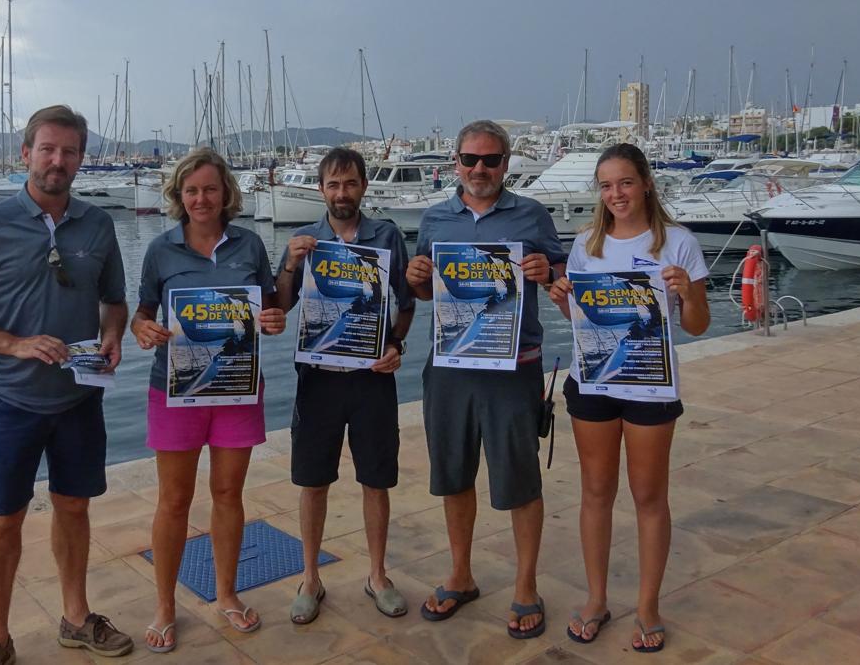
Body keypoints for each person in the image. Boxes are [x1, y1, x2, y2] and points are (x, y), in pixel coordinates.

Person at [0, 105, 133, 665]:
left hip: (78, 399)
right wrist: (15, 344)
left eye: (69, 151)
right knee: (4, 518)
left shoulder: (98, 224)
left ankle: (76, 618)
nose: (57, 161)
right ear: (26, 154)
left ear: (81, 159)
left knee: (74, 508)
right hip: (9, 401)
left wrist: (113, 337)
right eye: (47, 149)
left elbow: (113, 301)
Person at [405, 120, 568, 639]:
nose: (480, 169)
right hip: (450, 368)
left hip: (515, 368)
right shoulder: (433, 219)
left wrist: (549, 273)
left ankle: (525, 586)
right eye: (470, 160)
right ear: (455, 162)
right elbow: (428, 294)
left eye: (491, 160)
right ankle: (460, 575)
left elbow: (565, 282)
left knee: (520, 479)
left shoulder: (532, 215)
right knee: (453, 474)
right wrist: (417, 282)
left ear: (506, 163)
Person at [546, 143, 710, 653]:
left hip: (651, 387)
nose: (615, 194)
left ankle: (647, 607)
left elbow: (697, 326)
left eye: (624, 182)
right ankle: (597, 599)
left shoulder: (679, 243)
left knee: (648, 497)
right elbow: (583, 319)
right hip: (592, 384)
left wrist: (692, 293)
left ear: (645, 184)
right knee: (596, 493)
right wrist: (561, 300)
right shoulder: (586, 243)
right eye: (606, 185)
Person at [131, 147, 286, 653]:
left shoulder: (250, 245)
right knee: (173, 501)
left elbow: (268, 307)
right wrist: (144, 330)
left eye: (210, 190)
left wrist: (274, 319)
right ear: (179, 196)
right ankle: (165, 606)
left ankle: (226, 594)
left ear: (226, 195)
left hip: (237, 389)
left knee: (227, 494)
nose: (201, 198)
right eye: (191, 190)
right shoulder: (160, 250)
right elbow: (142, 314)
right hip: (173, 391)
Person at [272, 147, 416, 624]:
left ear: (363, 187)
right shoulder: (303, 239)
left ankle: (377, 575)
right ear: (321, 189)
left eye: (350, 184)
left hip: (371, 379)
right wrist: (291, 264)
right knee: (313, 482)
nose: (341, 193)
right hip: (318, 380)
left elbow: (406, 302)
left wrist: (396, 344)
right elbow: (283, 306)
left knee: (376, 479)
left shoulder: (387, 235)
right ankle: (310, 578)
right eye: (332, 185)